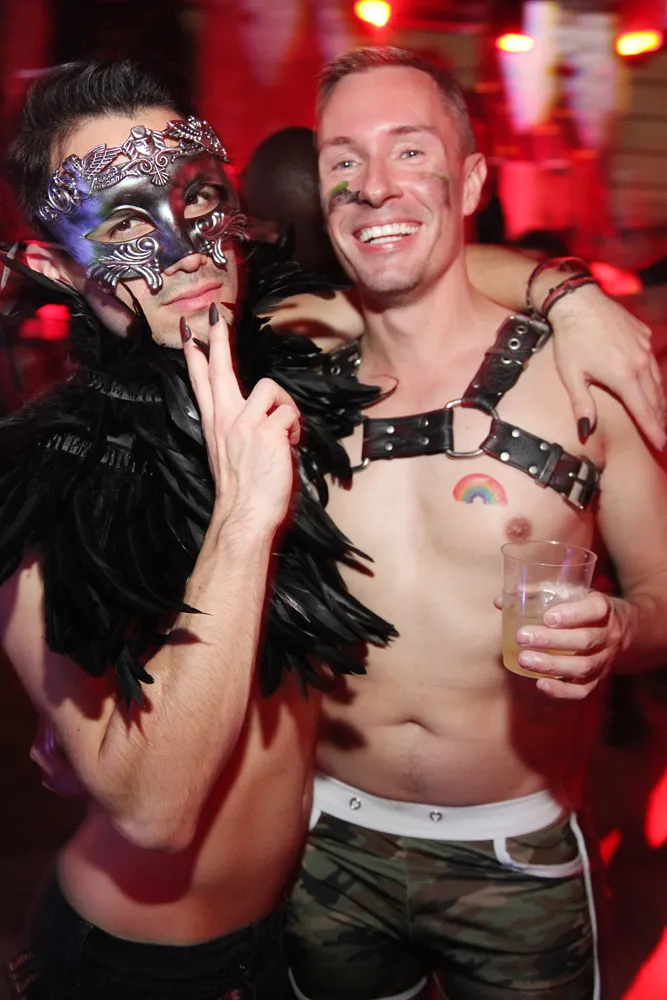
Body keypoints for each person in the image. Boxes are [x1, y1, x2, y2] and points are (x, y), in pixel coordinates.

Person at [0, 59, 397, 1000]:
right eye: (125, 224)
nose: (183, 250)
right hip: (138, 966)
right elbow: (153, 813)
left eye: (198, 199)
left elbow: (429, 285)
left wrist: (568, 296)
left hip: (289, 936)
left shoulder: (293, 365)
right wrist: (244, 516)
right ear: (56, 269)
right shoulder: (40, 485)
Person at [285, 46, 667, 1000]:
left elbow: (664, 598)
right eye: (343, 160)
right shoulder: (290, 368)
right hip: (322, 844)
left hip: (515, 855)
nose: (374, 185)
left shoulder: (582, 382)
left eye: (410, 151)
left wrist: (621, 628)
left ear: (471, 182)